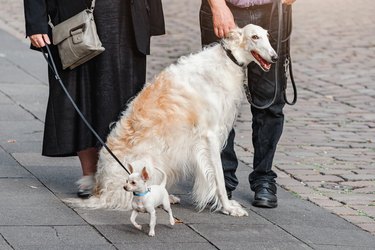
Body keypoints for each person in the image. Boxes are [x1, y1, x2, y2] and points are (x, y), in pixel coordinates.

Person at [23, 0, 165, 198]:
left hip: (128, 14)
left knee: (127, 96)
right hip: (75, 14)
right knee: (80, 91)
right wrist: (35, 21)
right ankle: (89, 174)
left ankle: (119, 173)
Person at [200, 0, 296, 208]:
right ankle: (221, 179)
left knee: (270, 101)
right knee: (218, 104)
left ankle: (264, 178)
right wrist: (217, 6)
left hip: (272, 10)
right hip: (226, 9)